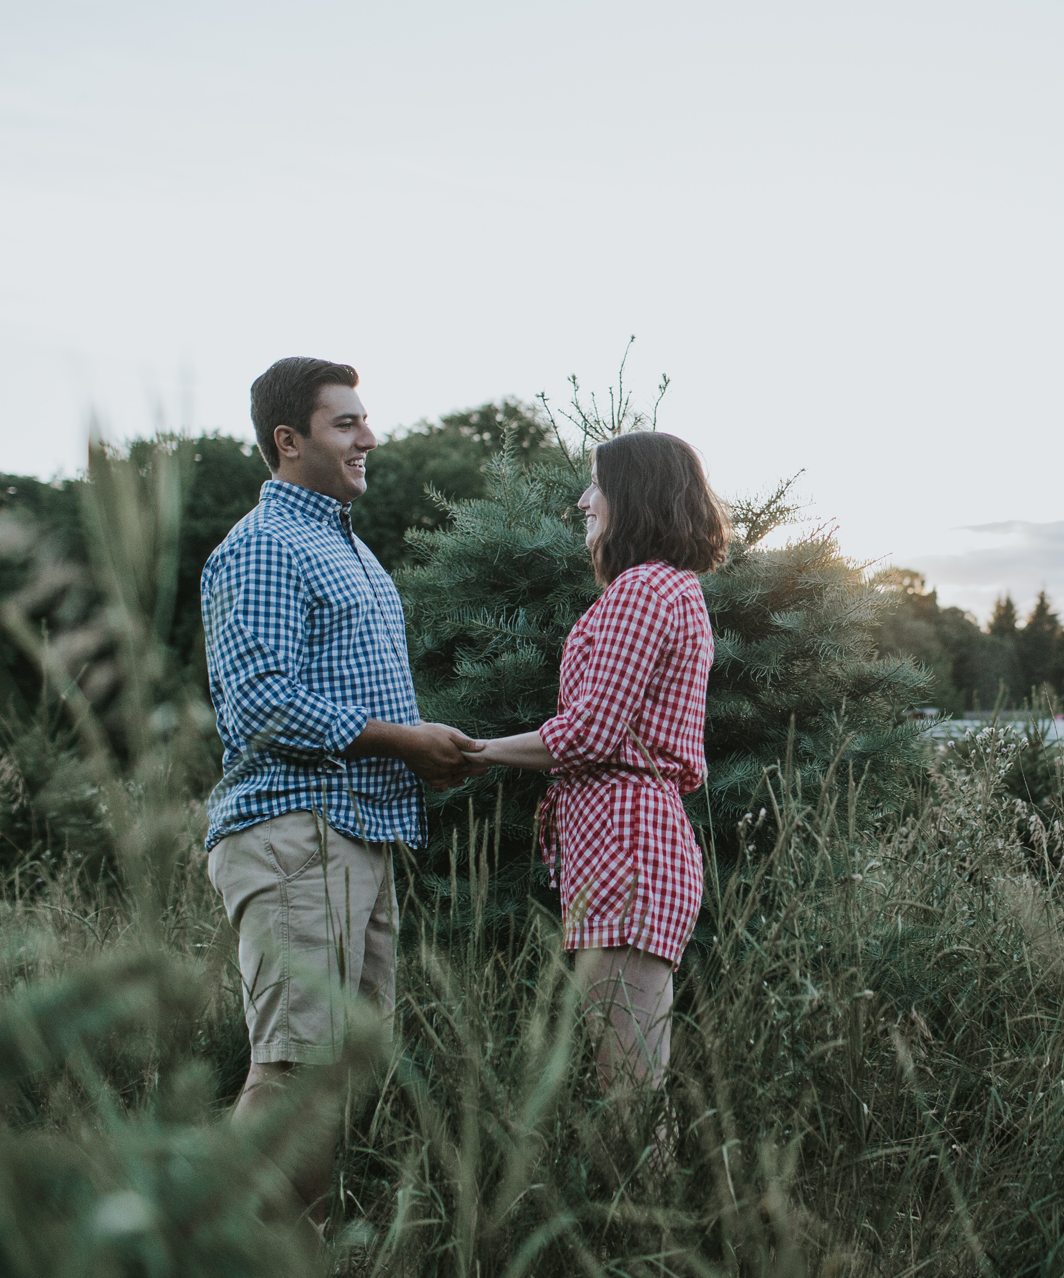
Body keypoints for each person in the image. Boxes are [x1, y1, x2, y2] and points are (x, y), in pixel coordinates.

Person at [200, 356, 479, 1227]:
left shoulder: (344, 544)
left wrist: (421, 749)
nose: (370, 437)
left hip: (359, 828)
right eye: (345, 423)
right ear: (289, 441)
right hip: (295, 831)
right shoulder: (262, 545)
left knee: (345, 1064)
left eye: (364, 420)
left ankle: (291, 1244)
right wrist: (404, 740)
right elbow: (261, 703)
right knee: (296, 1067)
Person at [464, 431, 726, 1097]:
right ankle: (646, 1198)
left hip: (628, 847)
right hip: (628, 842)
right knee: (632, 1077)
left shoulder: (643, 590)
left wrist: (477, 752)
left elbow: (591, 732)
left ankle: (645, 1202)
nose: (585, 500)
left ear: (633, 495)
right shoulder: (669, 588)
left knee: (629, 1087)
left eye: (597, 485)